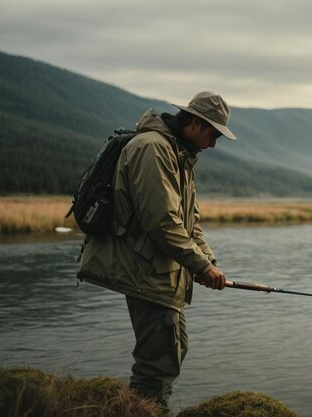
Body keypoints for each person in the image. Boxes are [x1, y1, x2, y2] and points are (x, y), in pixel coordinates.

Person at [77, 91, 237, 408]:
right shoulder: (152, 149)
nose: (213, 144)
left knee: (170, 353)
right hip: (145, 272)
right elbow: (162, 223)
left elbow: (190, 224)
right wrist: (202, 268)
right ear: (195, 123)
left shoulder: (178, 154)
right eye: (213, 134)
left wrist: (208, 263)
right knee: (158, 363)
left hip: (161, 274)